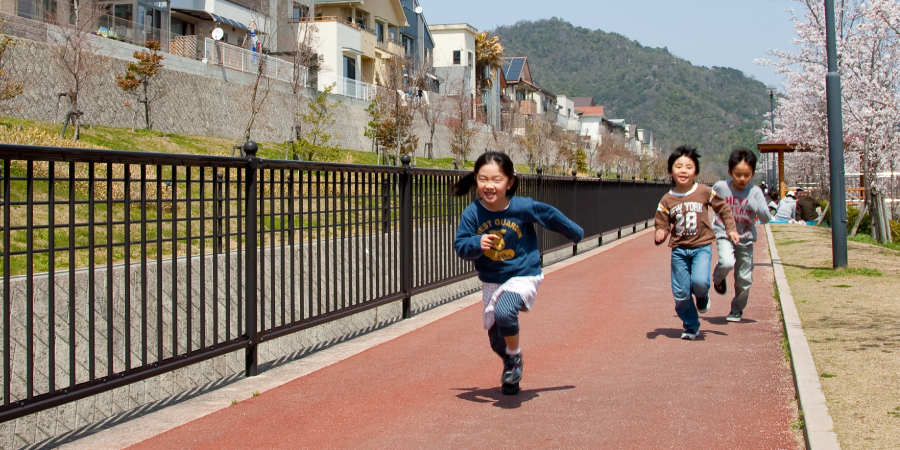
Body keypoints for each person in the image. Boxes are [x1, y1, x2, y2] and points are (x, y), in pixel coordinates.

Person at [453, 152, 584, 394]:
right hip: (492, 281)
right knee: (496, 341)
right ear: (476, 180)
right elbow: (460, 246)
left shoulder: (521, 207)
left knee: (505, 312)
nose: (489, 186)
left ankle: (513, 358)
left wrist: (575, 233)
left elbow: (550, 216)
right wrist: (476, 242)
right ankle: (512, 365)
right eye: (483, 179)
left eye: (496, 180)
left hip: (523, 274)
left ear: (509, 182)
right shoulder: (472, 213)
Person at [655, 145, 739, 340]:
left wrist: (731, 228)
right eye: (678, 166)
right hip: (679, 250)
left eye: (689, 167)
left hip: (702, 247)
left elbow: (724, 208)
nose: (683, 171)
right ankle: (691, 325)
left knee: (700, 282)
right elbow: (662, 222)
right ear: (671, 171)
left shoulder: (703, 192)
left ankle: (702, 296)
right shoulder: (667, 199)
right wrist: (661, 231)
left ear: (696, 171)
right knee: (681, 293)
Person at [711, 149, 772, 323]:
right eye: (738, 174)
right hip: (724, 234)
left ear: (752, 173)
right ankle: (718, 278)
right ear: (730, 172)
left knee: (744, 278)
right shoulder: (721, 187)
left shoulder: (755, 193)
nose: (742, 179)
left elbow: (766, 218)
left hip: (745, 238)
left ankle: (737, 309)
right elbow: (705, 200)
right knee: (726, 262)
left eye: (747, 175)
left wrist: (756, 206)